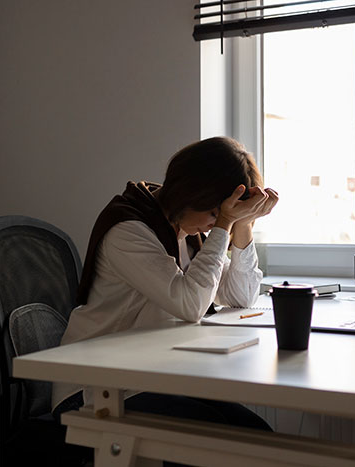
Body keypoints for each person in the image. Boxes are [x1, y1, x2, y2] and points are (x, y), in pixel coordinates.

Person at [52, 136, 278, 436]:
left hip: (150, 378)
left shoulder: (188, 232)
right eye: (214, 212)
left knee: (257, 433)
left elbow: (240, 297)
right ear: (191, 193)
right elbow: (190, 305)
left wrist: (244, 224)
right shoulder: (129, 229)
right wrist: (224, 225)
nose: (214, 224)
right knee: (226, 441)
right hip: (94, 389)